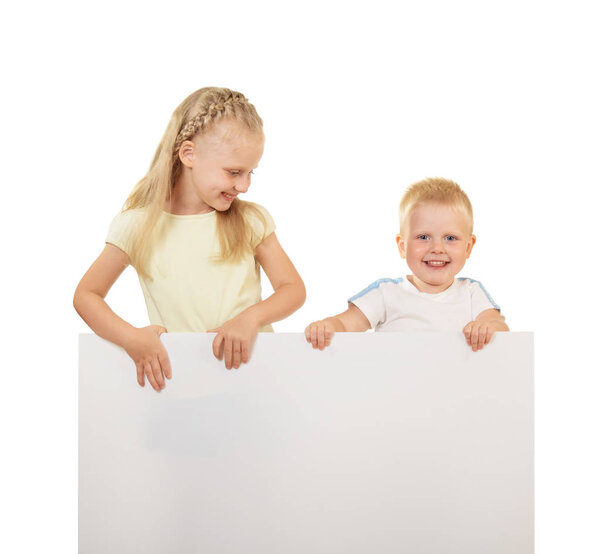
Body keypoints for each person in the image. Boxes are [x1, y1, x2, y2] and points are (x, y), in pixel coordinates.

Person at [74, 87, 305, 390]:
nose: (244, 185)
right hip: (179, 385)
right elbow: (86, 295)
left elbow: (293, 289)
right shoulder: (137, 226)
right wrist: (132, 339)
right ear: (188, 154)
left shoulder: (250, 221)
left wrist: (250, 319)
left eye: (251, 173)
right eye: (234, 171)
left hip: (254, 382)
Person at [305, 177, 508, 352]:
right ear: (402, 246)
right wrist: (328, 326)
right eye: (423, 236)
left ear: (468, 247)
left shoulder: (471, 292)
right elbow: (346, 324)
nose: (437, 248)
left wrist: (486, 327)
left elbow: (498, 325)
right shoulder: (386, 293)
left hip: (453, 390)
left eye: (450, 238)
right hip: (395, 391)